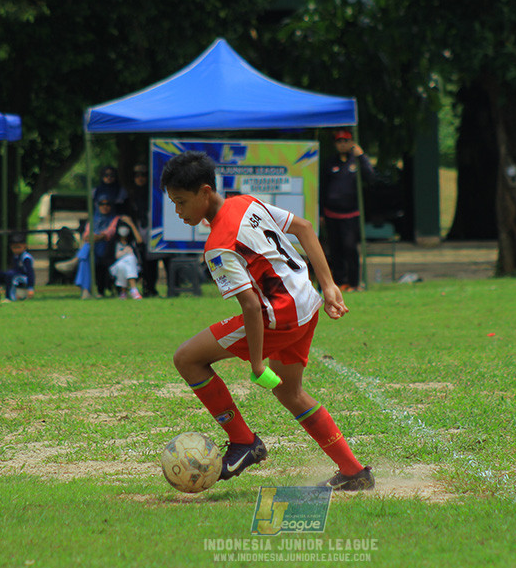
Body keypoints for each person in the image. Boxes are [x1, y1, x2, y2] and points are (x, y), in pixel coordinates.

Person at [160, 151, 374, 491]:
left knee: (186, 358)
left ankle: (244, 441)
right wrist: (329, 285)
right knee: (290, 392)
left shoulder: (218, 245)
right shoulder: (245, 202)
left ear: (205, 192)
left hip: (279, 316)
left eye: (181, 202)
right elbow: (304, 228)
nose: (178, 212)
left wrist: (258, 363)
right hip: (307, 303)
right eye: (174, 203)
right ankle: (353, 472)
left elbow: (250, 306)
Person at [320, 129, 374, 292]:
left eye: (345, 141)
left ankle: (354, 283)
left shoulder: (356, 161)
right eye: (339, 141)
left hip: (351, 214)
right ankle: (339, 282)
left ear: (351, 142)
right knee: (335, 249)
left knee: (350, 247)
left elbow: (371, 178)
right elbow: (322, 188)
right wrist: (321, 213)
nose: (342, 144)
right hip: (331, 214)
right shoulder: (330, 162)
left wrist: (361, 156)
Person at [128, 162, 168, 297]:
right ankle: (149, 288)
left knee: (165, 258)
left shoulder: (154, 192)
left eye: (143, 175)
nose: (140, 178)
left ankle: (171, 288)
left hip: (157, 229)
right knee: (147, 262)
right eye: (137, 175)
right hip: (142, 230)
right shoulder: (132, 195)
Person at [0, 232, 35, 302]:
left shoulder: (26, 258)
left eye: (18, 247)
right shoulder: (15, 256)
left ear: (24, 246)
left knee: (11, 275)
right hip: (13, 274)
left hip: (23, 277)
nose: (16, 250)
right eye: (14, 247)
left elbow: (30, 273)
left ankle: (10, 297)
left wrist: (30, 288)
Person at [108, 214, 143, 300]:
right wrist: (123, 253)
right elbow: (111, 259)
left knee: (126, 262)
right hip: (115, 267)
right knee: (127, 260)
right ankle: (133, 289)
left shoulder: (132, 242)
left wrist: (131, 224)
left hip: (131, 267)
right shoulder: (114, 242)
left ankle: (123, 292)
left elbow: (139, 241)